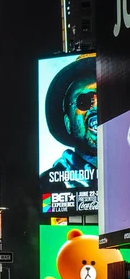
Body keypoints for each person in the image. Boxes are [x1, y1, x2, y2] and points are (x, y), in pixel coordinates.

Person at [40, 55, 97, 192]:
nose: (96, 107)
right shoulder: (49, 184)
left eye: (107, 98)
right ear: (67, 123)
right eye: (84, 101)